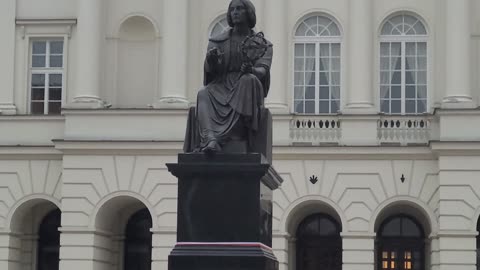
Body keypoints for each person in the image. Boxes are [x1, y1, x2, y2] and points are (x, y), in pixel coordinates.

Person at [194, 0, 273, 153]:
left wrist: (251, 70)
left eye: (239, 9)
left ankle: (229, 138)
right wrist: (211, 61)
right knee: (203, 93)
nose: (235, 12)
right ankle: (211, 139)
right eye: (232, 10)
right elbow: (211, 72)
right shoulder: (218, 41)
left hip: (248, 85)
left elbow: (262, 71)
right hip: (223, 84)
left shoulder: (262, 44)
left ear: (249, 13)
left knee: (247, 80)